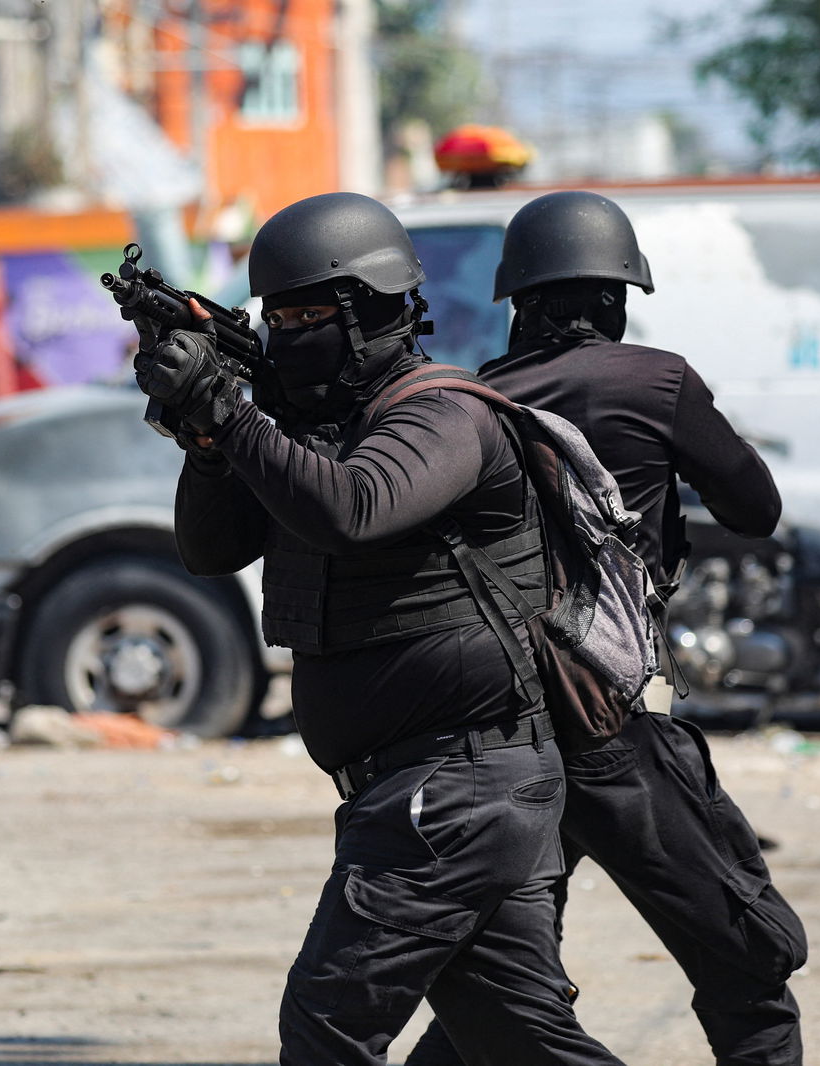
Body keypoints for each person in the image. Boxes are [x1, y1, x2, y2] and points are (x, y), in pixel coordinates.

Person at [134, 191, 625, 1066]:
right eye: (274, 318)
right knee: (518, 1042)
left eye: (307, 315)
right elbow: (212, 551)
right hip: (436, 790)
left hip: (454, 789)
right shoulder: (309, 433)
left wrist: (232, 411)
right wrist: (208, 439)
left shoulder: (444, 415)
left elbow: (354, 509)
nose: (287, 334)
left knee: (327, 1028)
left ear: (373, 310)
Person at [408, 190, 808, 1066]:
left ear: (519, 300)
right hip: (615, 733)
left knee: (501, 992)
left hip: (502, 737)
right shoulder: (656, 380)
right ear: (617, 299)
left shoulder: (478, 401)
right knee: (749, 967)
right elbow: (757, 509)